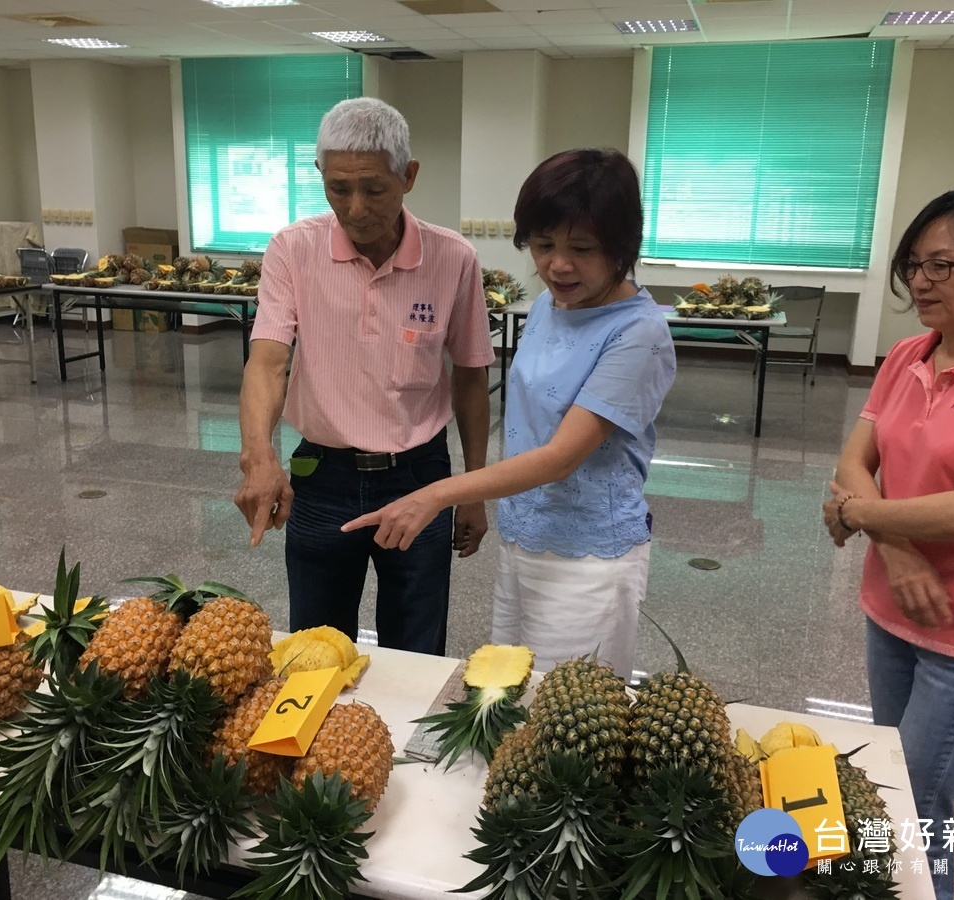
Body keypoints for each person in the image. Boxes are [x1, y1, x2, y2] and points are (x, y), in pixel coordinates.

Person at [343, 148, 675, 678]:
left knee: (566, 713)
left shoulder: (637, 334)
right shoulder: (550, 304)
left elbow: (561, 456)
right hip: (524, 538)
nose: (557, 265)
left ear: (622, 247)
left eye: (582, 248)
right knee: (509, 689)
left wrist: (440, 493)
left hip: (588, 559)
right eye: (543, 246)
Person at [822, 184, 954, 900]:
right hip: (892, 606)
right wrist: (896, 545)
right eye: (914, 264)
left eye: (942, 265)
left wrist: (861, 516)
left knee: (917, 806)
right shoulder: (910, 354)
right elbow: (854, 463)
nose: (920, 281)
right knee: (891, 783)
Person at [234, 97, 494, 657]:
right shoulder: (292, 249)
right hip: (320, 477)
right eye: (338, 188)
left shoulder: (454, 259)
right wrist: (259, 454)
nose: (355, 208)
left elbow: (472, 376)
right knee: (314, 649)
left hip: (420, 477)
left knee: (415, 648)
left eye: (374, 189)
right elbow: (268, 359)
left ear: (409, 176)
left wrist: (473, 490)